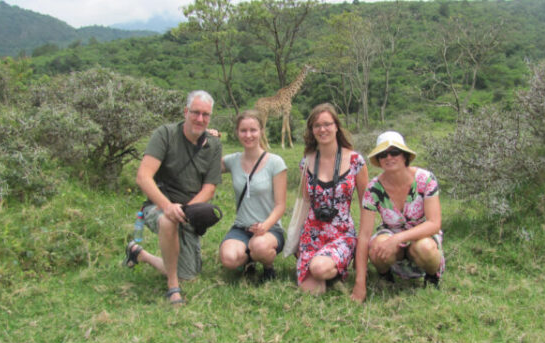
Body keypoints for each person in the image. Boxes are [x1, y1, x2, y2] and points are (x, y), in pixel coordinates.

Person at [123, 90, 222, 305]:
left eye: (206, 115)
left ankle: (140, 254)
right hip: (158, 206)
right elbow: (143, 177)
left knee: (191, 275)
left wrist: (184, 212)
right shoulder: (165, 135)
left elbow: (209, 189)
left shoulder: (213, 144)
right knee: (168, 220)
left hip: (187, 211)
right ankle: (173, 287)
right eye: (195, 112)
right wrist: (168, 207)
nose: (200, 119)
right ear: (186, 112)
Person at [351, 131, 445, 303]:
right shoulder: (373, 189)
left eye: (394, 152)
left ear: (405, 156)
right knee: (376, 247)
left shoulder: (426, 179)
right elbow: (364, 236)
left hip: (421, 235)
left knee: (425, 248)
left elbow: (434, 223)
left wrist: (398, 238)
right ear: (378, 160)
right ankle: (385, 276)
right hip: (390, 234)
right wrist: (360, 282)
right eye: (382, 154)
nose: (389, 157)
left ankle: (432, 277)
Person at [295, 103, 369, 294]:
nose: (323, 129)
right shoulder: (306, 161)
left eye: (327, 124)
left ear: (337, 126)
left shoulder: (355, 161)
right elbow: (304, 203)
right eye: (317, 125)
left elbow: (366, 208)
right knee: (310, 290)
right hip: (312, 233)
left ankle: (333, 265)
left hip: (341, 233)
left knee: (319, 268)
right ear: (312, 130)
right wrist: (295, 239)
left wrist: (362, 247)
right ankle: (332, 274)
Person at [219, 110, 287, 281]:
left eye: (253, 130)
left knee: (260, 246)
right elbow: (207, 164)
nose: (248, 135)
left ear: (261, 131)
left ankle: (268, 266)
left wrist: (265, 225)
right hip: (242, 228)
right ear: (237, 133)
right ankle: (250, 260)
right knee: (228, 258)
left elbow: (281, 205)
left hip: (269, 230)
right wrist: (211, 141)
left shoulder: (275, 162)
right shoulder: (232, 160)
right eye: (243, 130)